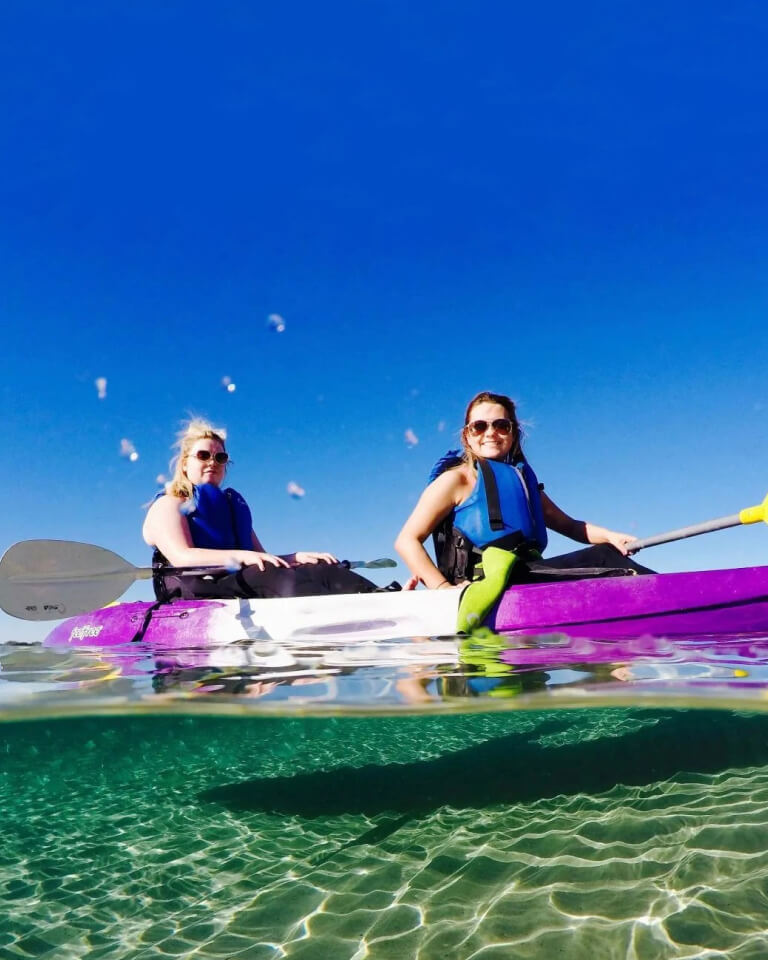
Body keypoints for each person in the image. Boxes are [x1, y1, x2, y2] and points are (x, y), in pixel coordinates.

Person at [395, 391, 652, 628]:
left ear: (513, 433)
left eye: (501, 425)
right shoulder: (457, 479)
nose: (491, 433)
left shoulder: (523, 483)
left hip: (526, 576)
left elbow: (570, 526)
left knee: (607, 551)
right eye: (480, 426)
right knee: (604, 560)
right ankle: (681, 604)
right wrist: (441, 589)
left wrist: (611, 536)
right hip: (483, 584)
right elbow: (407, 541)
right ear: (467, 435)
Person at [143, 419, 377, 600]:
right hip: (198, 589)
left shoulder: (231, 508)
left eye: (220, 457)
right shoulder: (168, 504)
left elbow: (262, 556)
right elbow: (182, 557)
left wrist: (296, 558)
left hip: (240, 580)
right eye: (203, 455)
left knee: (320, 570)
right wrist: (244, 557)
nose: (212, 462)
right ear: (185, 463)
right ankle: (336, 613)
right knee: (274, 576)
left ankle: (383, 597)